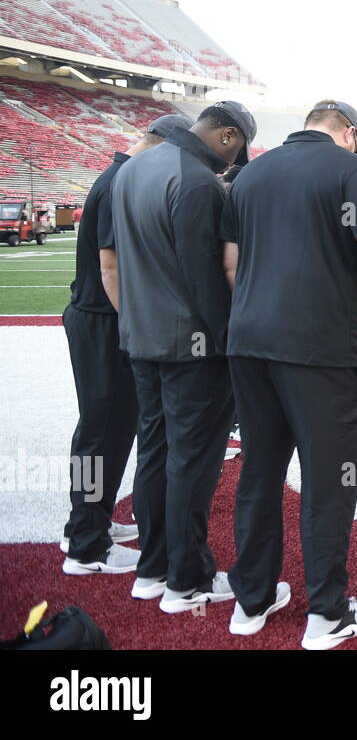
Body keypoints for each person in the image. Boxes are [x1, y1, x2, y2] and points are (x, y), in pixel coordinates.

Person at [220, 100, 357, 648]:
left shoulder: (251, 171)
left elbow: (230, 264)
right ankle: (327, 612)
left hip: (250, 340)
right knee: (329, 481)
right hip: (320, 347)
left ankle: (250, 599)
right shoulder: (352, 169)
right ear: (349, 133)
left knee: (260, 471)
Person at [102, 101, 254, 609]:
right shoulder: (196, 180)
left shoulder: (134, 167)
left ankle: (154, 568)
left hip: (142, 336)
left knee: (157, 453)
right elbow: (202, 275)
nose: (231, 164)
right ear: (227, 136)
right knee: (192, 462)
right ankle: (186, 579)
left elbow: (118, 263)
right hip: (190, 345)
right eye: (235, 152)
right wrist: (229, 339)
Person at [60, 114, 188, 575]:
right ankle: (85, 542)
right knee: (101, 434)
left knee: (108, 431)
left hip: (99, 317)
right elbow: (111, 268)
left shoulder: (117, 175)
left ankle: (90, 518)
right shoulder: (120, 182)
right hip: (104, 320)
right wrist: (137, 325)